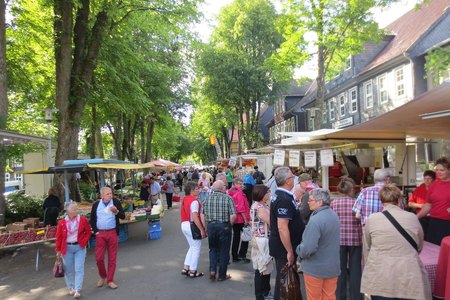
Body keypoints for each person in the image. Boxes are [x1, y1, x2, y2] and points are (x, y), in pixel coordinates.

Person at [361, 184, 431, 300]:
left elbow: (368, 245)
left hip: (380, 276)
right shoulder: (412, 217)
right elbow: (419, 246)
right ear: (399, 200)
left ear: (381, 201)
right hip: (408, 274)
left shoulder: (372, 219)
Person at [297, 189, 340, 300]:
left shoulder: (316, 220)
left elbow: (307, 249)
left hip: (315, 269)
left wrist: (298, 249)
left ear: (319, 202)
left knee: (314, 297)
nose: (308, 202)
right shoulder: (334, 216)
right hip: (332, 267)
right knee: (329, 296)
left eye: (310, 200)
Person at [269, 167, 305, 300]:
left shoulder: (284, 195)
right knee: (283, 280)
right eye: (292, 176)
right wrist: (289, 251)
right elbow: (282, 227)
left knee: (283, 279)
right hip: (283, 248)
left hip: (284, 246)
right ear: (288, 181)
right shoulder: (283, 198)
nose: (294, 178)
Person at [330, 179, 363, 300]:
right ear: (351, 190)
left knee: (340, 270)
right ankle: (356, 296)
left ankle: (340, 296)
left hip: (338, 240)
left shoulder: (334, 203)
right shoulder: (356, 203)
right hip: (355, 239)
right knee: (355, 270)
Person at [90, 187, 125, 289]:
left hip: (112, 232)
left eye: (111, 193)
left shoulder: (116, 202)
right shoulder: (96, 204)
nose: (110, 195)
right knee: (99, 258)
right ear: (101, 196)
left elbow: (122, 216)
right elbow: (92, 219)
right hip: (100, 234)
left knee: (112, 258)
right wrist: (96, 232)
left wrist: (116, 211)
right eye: (107, 194)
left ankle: (110, 280)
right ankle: (103, 276)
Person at [201, 180, 236, 281]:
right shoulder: (228, 198)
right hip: (224, 226)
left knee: (213, 249)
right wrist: (229, 225)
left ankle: (212, 270)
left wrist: (205, 227)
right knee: (224, 251)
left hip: (211, 226)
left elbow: (202, 214)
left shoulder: (206, 198)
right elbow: (233, 215)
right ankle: (221, 275)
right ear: (223, 188)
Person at [56, 202, 92, 298]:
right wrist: (58, 251)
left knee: (79, 268)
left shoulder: (83, 220)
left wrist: (84, 242)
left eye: (77, 208)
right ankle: (71, 287)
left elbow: (88, 232)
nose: (77, 210)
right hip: (67, 248)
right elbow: (59, 237)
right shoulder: (62, 223)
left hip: (79, 247)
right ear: (68, 211)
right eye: (74, 209)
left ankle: (77, 289)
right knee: (68, 269)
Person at [417, 157, 450, 245]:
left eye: (442, 170)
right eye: (437, 170)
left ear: (449, 170)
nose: (438, 172)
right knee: (433, 249)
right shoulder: (434, 185)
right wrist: (416, 217)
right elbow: (428, 205)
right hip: (433, 222)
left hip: (447, 223)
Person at [250, 185, 273, 300]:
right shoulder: (260, 207)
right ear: (262, 194)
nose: (269, 194)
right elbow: (270, 222)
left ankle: (265, 292)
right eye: (267, 192)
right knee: (262, 268)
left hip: (261, 238)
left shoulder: (261, 205)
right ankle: (262, 294)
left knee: (263, 267)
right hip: (262, 239)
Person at [180, 181, 206, 278]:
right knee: (196, 248)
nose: (198, 190)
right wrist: (202, 229)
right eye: (196, 189)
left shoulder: (185, 199)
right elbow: (195, 216)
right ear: (191, 191)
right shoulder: (194, 201)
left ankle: (186, 267)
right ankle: (193, 270)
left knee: (192, 246)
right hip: (191, 225)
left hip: (184, 224)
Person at [228, 178, 251, 263]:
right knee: (247, 236)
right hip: (241, 218)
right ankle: (242, 254)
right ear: (235, 184)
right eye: (240, 184)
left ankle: (235, 256)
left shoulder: (230, 192)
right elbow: (241, 208)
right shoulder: (239, 193)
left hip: (234, 218)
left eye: (242, 184)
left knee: (236, 237)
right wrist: (245, 219)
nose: (242, 185)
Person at [408, 170, 435, 237]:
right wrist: (421, 205)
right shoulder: (419, 189)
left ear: (434, 180)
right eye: (425, 178)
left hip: (434, 218)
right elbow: (410, 203)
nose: (427, 180)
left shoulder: (437, 189)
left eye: (429, 178)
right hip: (421, 217)